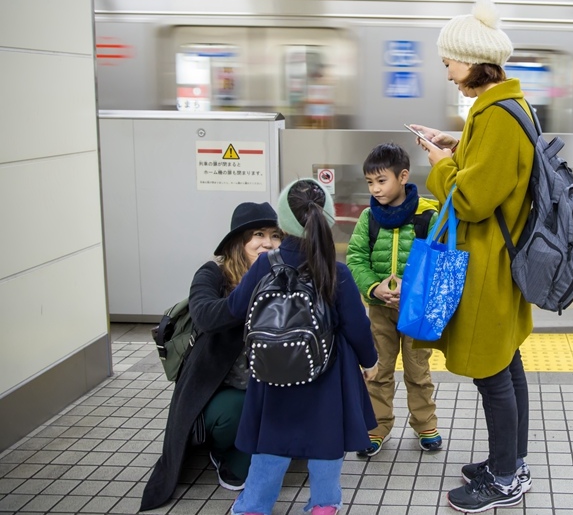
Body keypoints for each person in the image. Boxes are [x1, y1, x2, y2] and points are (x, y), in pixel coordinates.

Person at [410, 0, 535, 513]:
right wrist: (456, 144)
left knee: (492, 373)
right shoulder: (503, 108)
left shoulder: (499, 117)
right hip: (498, 260)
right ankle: (511, 461)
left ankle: (505, 478)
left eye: (450, 63)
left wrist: (440, 166)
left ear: (475, 62)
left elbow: (470, 200)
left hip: (488, 266)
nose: (447, 74)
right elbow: (491, 166)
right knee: (508, 364)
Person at [225, 178, 379, 515]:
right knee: (326, 443)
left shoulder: (264, 265)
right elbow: (357, 327)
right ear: (325, 218)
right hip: (327, 374)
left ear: (283, 222)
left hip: (271, 373)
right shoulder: (336, 271)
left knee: (271, 442)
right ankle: (323, 505)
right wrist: (370, 362)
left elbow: (236, 308)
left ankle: (253, 506)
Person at [141, 202, 283, 511]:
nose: (267, 243)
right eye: (257, 234)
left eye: (275, 235)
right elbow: (205, 315)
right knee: (240, 412)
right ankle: (221, 451)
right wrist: (251, 290)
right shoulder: (212, 274)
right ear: (237, 243)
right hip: (221, 391)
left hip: (271, 384)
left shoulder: (286, 274)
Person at [346, 143, 443, 457]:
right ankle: (376, 428)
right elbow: (356, 259)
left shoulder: (428, 215)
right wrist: (374, 288)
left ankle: (426, 425)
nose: (375, 189)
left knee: (418, 371)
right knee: (377, 370)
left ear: (403, 176)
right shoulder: (368, 218)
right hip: (379, 311)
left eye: (381, 181)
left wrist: (412, 289)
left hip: (415, 311)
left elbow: (438, 262)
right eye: (370, 182)